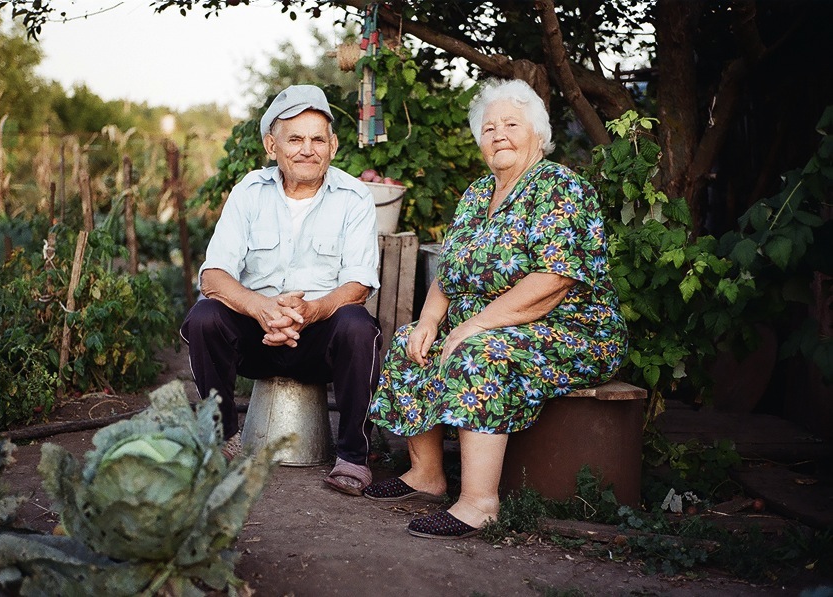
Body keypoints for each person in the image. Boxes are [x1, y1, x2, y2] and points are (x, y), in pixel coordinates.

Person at [362, 79, 627, 538]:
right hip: (495, 325)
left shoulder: (559, 186)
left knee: (477, 351)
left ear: (538, 135)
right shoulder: (477, 195)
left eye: (511, 124)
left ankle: (480, 502)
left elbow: (553, 280)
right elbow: (449, 273)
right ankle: (427, 475)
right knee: (409, 342)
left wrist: (475, 325)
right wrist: (429, 319)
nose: (498, 134)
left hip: (572, 328)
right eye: (489, 127)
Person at [181, 84, 382, 496]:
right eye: (295, 139)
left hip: (319, 339)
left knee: (357, 325)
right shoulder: (249, 192)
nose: (307, 149)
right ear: (273, 146)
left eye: (317, 139)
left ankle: (352, 457)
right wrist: (261, 308)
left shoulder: (355, 197)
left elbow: (360, 283)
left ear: (333, 146)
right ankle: (223, 440)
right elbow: (213, 276)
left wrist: (312, 311)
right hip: (257, 337)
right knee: (204, 317)